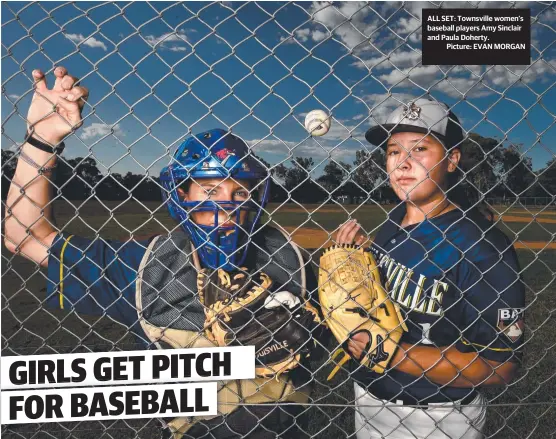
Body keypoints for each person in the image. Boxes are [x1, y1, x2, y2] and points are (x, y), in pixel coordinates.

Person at [3, 66, 320, 438]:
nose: (228, 206)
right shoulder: (146, 266)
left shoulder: (290, 260)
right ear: (182, 195)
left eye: (240, 192)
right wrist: (41, 140)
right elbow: (22, 235)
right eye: (211, 190)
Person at [332, 98, 525, 439]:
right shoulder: (393, 222)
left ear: (452, 160)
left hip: (437, 416)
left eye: (419, 149)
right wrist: (362, 263)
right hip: (367, 397)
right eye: (393, 152)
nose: (403, 163)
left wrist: (391, 354)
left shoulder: (483, 248)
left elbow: (500, 368)